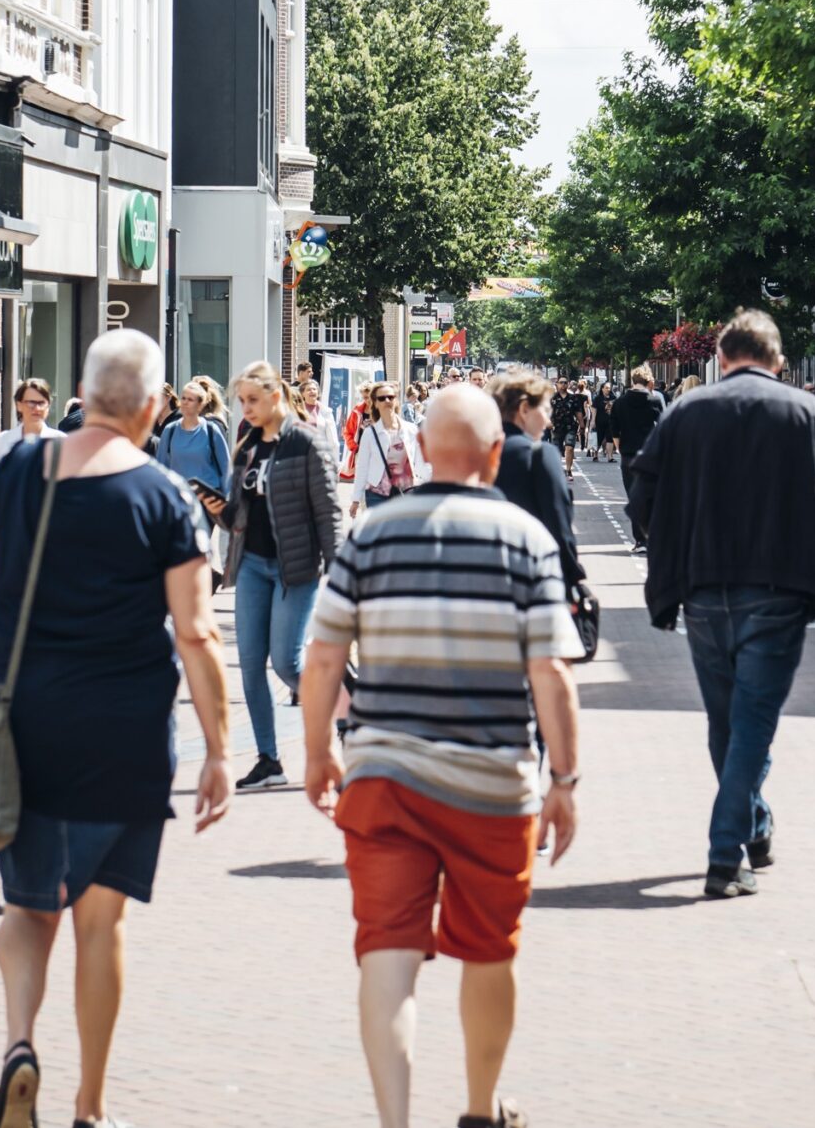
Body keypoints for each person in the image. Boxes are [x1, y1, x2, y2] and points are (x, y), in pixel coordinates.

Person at [0, 329, 233, 1128]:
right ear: (152, 406)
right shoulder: (164, 496)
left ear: (83, 389)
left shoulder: (16, 472)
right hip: (125, 733)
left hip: (24, 723)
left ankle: (18, 1045)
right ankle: (92, 1105)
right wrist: (219, 748)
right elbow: (197, 632)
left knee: (27, 908)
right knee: (101, 922)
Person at [300, 384, 583, 1128]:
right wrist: (564, 778)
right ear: (495, 453)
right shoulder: (525, 539)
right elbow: (551, 672)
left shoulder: (370, 534)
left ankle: (394, 1120)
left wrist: (319, 752)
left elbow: (322, 657)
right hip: (491, 781)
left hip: (384, 777)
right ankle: (480, 1109)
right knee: (490, 950)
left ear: (423, 449)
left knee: (386, 957)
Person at [628, 310, 815, 897]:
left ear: (721, 358)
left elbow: (642, 495)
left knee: (726, 721)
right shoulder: (807, 413)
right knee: (752, 724)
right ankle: (725, 854)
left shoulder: (685, 412)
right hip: (779, 589)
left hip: (704, 588)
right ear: (778, 361)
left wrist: (676, 548)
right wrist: (814, 553)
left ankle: (753, 826)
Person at [219, 360, 345, 791]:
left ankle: (345, 715)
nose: (246, 409)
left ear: (276, 397)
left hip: (295, 567)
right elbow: (237, 511)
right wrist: (217, 507)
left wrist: (339, 575)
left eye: (253, 400)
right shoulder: (247, 446)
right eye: (242, 401)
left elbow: (328, 511)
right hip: (252, 565)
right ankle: (269, 760)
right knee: (251, 666)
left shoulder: (306, 442)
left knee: (288, 663)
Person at [491, 372, 582, 589]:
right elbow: (558, 524)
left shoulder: (478, 451)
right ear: (524, 409)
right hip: (530, 574)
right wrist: (572, 578)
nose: (547, 420)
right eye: (544, 410)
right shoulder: (539, 454)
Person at [153, 379, 234, 505]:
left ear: (200, 404)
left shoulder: (211, 430)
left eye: (190, 400)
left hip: (207, 499)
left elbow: (226, 468)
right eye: (183, 398)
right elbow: (161, 467)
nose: (185, 403)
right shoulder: (170, 430)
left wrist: (227, 500)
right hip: (180, 498)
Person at [350, 383, 428, 515]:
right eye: (381, 398)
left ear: (396, 400)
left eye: (390, 397)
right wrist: (356, 499)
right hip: (377, 494)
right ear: (375, 403)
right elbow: (362, 467)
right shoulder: (370, 433)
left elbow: (421, 462)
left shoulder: (411, 429)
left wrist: (430, 488)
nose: (387, 400)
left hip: (407, 492)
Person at [610, 368, 666, 549]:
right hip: (650, 455)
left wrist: (620, 449)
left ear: (633, 380)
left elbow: (615, 430)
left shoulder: (620, 402)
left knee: (634, 497)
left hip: (628, 454)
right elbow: (663, 426)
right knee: (653, 496)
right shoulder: (654, 400)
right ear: (648, 381)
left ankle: (640, 539)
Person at [0, 378, 58, 468]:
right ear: (19, 405)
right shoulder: (3, 440)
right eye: (31, 402)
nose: (37, 408)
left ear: (48, 406)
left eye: (41, 403)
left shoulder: (61, 441)